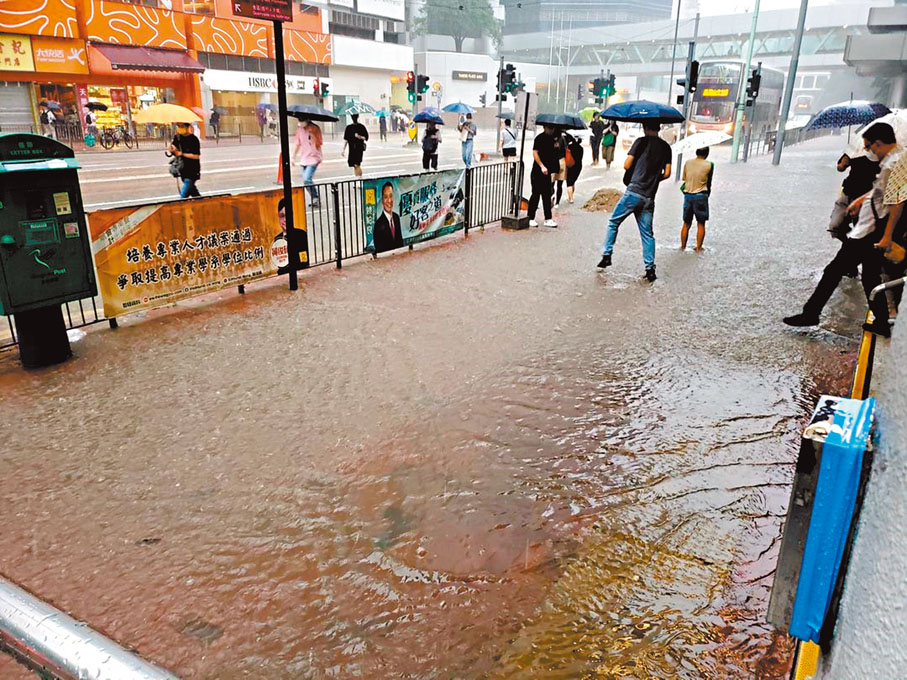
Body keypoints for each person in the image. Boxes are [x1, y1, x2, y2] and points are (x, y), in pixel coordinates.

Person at [783, 122, 903, 337]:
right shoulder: (897, 159)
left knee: (833, 271)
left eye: (869, 147)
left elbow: (896, 203)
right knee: (870, 277)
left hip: (868, 232)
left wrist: (886, 237)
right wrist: (862, 200)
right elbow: (883, 192)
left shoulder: (894, 164)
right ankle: (882, 322)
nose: (869, 152)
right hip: (869, 228)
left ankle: (811, 313)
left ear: (878, 143)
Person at [597, 120, 672, 281]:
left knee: (613, 222)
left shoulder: (640, 142)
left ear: (644, 128)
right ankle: (650, 268)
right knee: (647, 234)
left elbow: (626, 165)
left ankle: (607, 254)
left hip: (633, 192)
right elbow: (667, 174)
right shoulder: (666, 147)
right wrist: (653, 178)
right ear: (658, 128)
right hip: (649, 197)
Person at [828, 151, 880, 242]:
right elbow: (840, 167)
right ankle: (847, 243)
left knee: (861, 232)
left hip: (867, 198)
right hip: (848, 193)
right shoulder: (856, 149)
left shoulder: (883, 155)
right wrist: (844, 163)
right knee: (835, 226)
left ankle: (853, 247)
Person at [680, 146, 715, 252]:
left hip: (688, 195)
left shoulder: (688, 162)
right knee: (701, 223)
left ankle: (683, 247)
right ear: (707, 153)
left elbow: (685, 178)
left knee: (686, 223)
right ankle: (699, 248)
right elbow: (709, 182)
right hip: (701, 196)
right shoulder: (709, 164)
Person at [526, 123, 560, 228]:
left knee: (546, 195)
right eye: (549, 128)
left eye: (552, 128)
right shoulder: (539, 138)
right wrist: (541, 166)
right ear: (544, 128)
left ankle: (548, 219)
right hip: (538, 171)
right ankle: (530, 218)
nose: (551, 130)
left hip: (547, 172)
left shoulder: (554, 140)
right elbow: (535, 153)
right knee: (535, 194)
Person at [274, 197, 309, 274]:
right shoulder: (277, 238)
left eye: (288, 215)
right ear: (278, 218)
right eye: (282, 216)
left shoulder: (301, 234)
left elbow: (304, 261)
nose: (285, 219)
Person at [293, 119, 323, 208]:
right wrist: (293, 157)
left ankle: (315, 198)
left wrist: (312, 134)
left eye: (302, 120)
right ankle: (315, 198)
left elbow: (319, 143)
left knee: (307, 179)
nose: (300, 122)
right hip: (304, 159)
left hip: (314, 157)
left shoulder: (315, 128)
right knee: (306, 181)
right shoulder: (299, 130)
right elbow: (297, 144)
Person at [170, 121, 201, 198]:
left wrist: (182, 154)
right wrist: (172, 149)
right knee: (193, 192)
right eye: (178, 126)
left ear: (187, 127)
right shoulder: (177, 138)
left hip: (193, 170)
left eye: (182, 126)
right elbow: (174, 151)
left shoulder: (193, 139)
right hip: (182, 169)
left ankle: (179, 206)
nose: (180, 128)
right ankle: (204, 204)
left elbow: (196, 156)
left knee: (184, 195)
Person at [372, 182, 403, 253]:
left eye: (391, 196)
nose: (389, 201)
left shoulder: (396, 218)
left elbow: (400, 242)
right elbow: (379, 250)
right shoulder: (378, 224)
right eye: (386, 197)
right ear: (382, 200)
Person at [342, 113, 369, 177]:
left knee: (357, 164)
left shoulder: (361, 127)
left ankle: (359, 178)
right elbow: (346, 139)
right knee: (354, 165)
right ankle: (358, 177)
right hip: (351, 149)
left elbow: (366, 137)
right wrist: (343, 150)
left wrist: (359, 137)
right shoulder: (349, 128)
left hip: (358, 149)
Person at [564, 131, 584, 204]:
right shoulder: (581, 148)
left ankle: (571, 198)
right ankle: (571, 196)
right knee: (573, 182)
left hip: (570, 166)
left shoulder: (569, 148)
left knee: (569, 183)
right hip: (578, 166)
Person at [551, 128, 567, 206]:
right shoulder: (563, 139)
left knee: (551, 183)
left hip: (553, 162)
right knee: (559, 185)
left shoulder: (550, 138)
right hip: (562, 162)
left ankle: (552, 195)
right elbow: (565, 150)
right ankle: (557, 202)